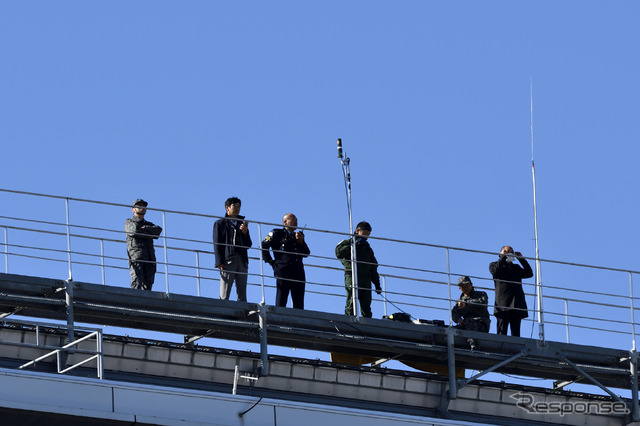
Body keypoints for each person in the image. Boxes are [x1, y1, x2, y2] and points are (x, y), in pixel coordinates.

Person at [261, 213, 310, 309]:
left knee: (299, 300)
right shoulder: (277, 233)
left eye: (297, 220)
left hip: (298, 271)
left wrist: (301, 242)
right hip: (283, 269)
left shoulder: (297, 236)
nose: (296, 222)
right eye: (293, 219)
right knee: (282, 297)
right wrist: (270, 261)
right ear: (285, 222)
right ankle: (278, 319)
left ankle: (298, 320)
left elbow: (306, 253)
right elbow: (264, 245)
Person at [335, 221, 381, 318]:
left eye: (368, 232)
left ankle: (367, 324)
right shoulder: (348, 242)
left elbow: (373, 267)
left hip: (366, 279)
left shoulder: (368, 249)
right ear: (357, 231)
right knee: (352, 300)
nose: (367, 234)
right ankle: (349, 321)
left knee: (366, 304)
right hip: (352, 275)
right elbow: (338, 252)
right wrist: (353, 245)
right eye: (365, 231)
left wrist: (377, 284)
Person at [213, 197, 252, 302]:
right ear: (227, 208)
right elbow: (217, 244)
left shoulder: (242, 224)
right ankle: (223, 309)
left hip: (242, 259)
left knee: (242, 289)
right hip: (228, 259)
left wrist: (245, 233)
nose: (237, 209)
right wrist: (219, 262)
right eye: (234, 206)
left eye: (239, 207)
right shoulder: (220, 223)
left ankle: (243, 312)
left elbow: (248, 244)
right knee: (225, 289)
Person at [489, 246, 533, 337]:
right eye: (505, 251)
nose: (508, 253)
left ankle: (515, 349)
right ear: (500, 253)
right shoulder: (494, 265)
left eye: (510, 252)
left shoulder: (516, 268)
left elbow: (529, 273)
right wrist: (503, 257)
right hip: (503, 304)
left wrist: (521, 259)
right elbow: (496, 271)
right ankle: (500, 349)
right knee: (502, 332)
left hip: (516, 304)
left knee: (516, 333)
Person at [125, 199, 163, 290]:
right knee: (136, 282)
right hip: (137, 257)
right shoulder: (130, 222)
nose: (141, 207)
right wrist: (148, 232)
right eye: (138, 206)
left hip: (150, 258)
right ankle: (134, 303)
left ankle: (145, 304)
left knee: (148, 285)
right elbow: (134, 230)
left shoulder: (148, 224)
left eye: (143, 206)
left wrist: (144, 228)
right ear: (133, 209)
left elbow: (158, 231)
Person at [452, 276, 490, 350]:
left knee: (470, 322)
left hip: (481, 322)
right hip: (466, 324)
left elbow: (482, 303)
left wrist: (467, 303)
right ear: (459, 288)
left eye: (466, 285)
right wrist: (458, 319)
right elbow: (454, 313)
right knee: (452, 330)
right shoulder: (459, 301)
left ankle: (475, 347)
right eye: (462, 286)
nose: (465, 287)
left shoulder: (481, 294)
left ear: (471, 284)